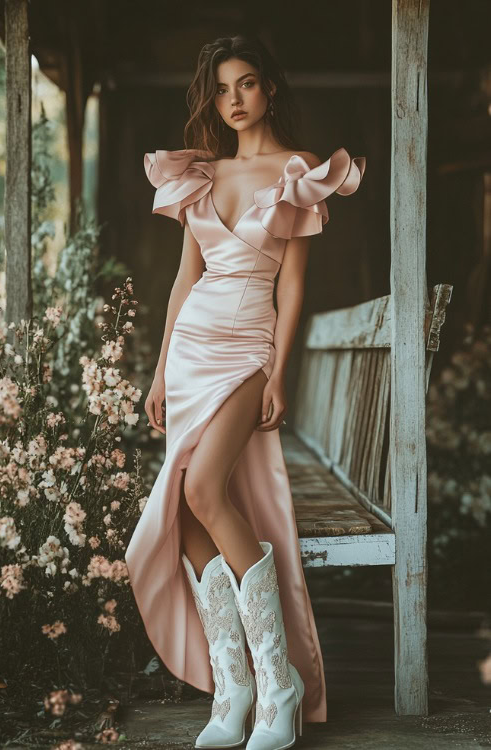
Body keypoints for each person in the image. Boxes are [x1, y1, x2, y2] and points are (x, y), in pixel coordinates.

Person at [125, 34, 365, 750]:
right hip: (195, 349)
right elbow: (182, 279)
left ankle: (279, 681)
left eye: (248, 84)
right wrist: (162, 368)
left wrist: (279, 374)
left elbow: (292, 290)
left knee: (201, 491)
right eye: (224, 87)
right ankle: (233, 690)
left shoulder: (297, 174)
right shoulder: (200, 173)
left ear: (269, 90)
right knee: (191, 508)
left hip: (247, 350)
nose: (235, 99)